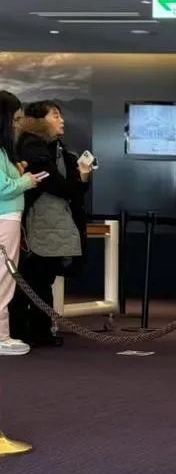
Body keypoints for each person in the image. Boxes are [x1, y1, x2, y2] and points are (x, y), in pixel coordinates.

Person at [9, 101, 92, 347]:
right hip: (37, 223)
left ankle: (34, 330)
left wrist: (79, 178)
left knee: (38, 279)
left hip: (46, 223)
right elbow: (59, 186)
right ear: (39, 121)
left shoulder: (56, 147)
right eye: (55, 115)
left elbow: (66, 187)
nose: (62, 120)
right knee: (33, 279)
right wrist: (81, 178)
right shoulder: (32, 148)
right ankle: (29, 331)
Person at [0, 92, 40, 355]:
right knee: (4, 278)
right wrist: (26, 181)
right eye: (14, 120)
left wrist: (18, 173)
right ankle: (1, 336)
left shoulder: (4, 152)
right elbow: (3, 188)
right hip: (5, 219)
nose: (17, 126)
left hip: (7, 219)